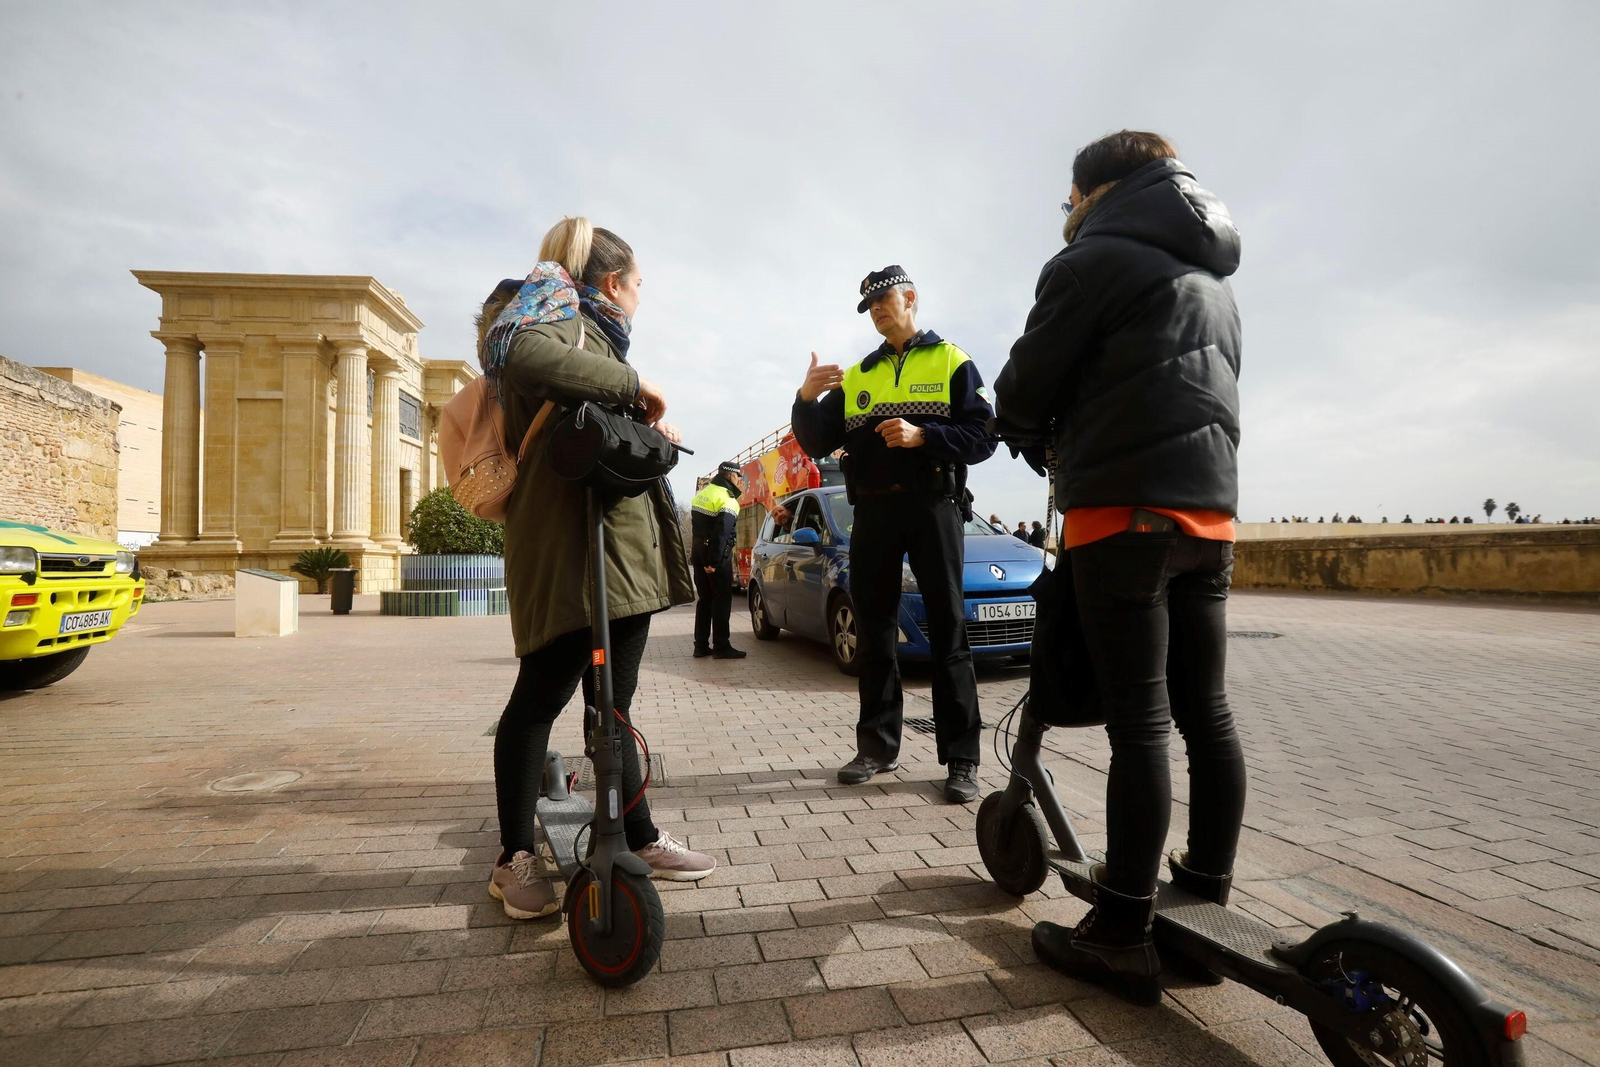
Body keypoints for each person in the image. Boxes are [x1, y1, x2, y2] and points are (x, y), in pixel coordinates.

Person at [995, 131, 1244, 1005]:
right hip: (1209, 516)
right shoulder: (1213, 279)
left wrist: (1027, 429)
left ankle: (1123, 929)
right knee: (1205, 713)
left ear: (1096, 191)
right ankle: (1205, 903)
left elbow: (1022, 389)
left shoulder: (1090, 260)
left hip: (1122, 514)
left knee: (1140, 722)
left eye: (1068, 196)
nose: (1065, 213)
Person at [483, 218, 715, 920]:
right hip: (567, 559)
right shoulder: (545, 315)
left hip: (623, 562)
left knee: (611, 709)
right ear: (613, 282)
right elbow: (517, 352)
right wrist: (638, 384)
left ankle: (638, 837)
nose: (643, 296)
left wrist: (647, 423)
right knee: (539, 699)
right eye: (640, 283)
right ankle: (512, 858)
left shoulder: (596, 337)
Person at [792, 265, 996, 803]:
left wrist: (922, 435)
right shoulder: (859, 374)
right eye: (871, 306)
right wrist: (805, 398)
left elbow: (982, 436)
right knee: (876, 631)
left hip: (934, 506)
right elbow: (815, 442)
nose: (878, 310)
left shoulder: (952, 360)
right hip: (874, 514)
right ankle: (876, 748)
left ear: (910, 297)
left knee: (949, 630)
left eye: (885, 300)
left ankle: (961, 759)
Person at [690, 461, 747, 659]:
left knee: (705, 599)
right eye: (740, 477)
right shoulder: (728, 499)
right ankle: (722, 646)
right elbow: (722, 533)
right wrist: (713, 562)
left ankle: (701, 646)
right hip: (715, 553)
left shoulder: (702, 493)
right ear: (731, 477)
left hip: (697, 549)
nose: (741, 481)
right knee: (722, 598)